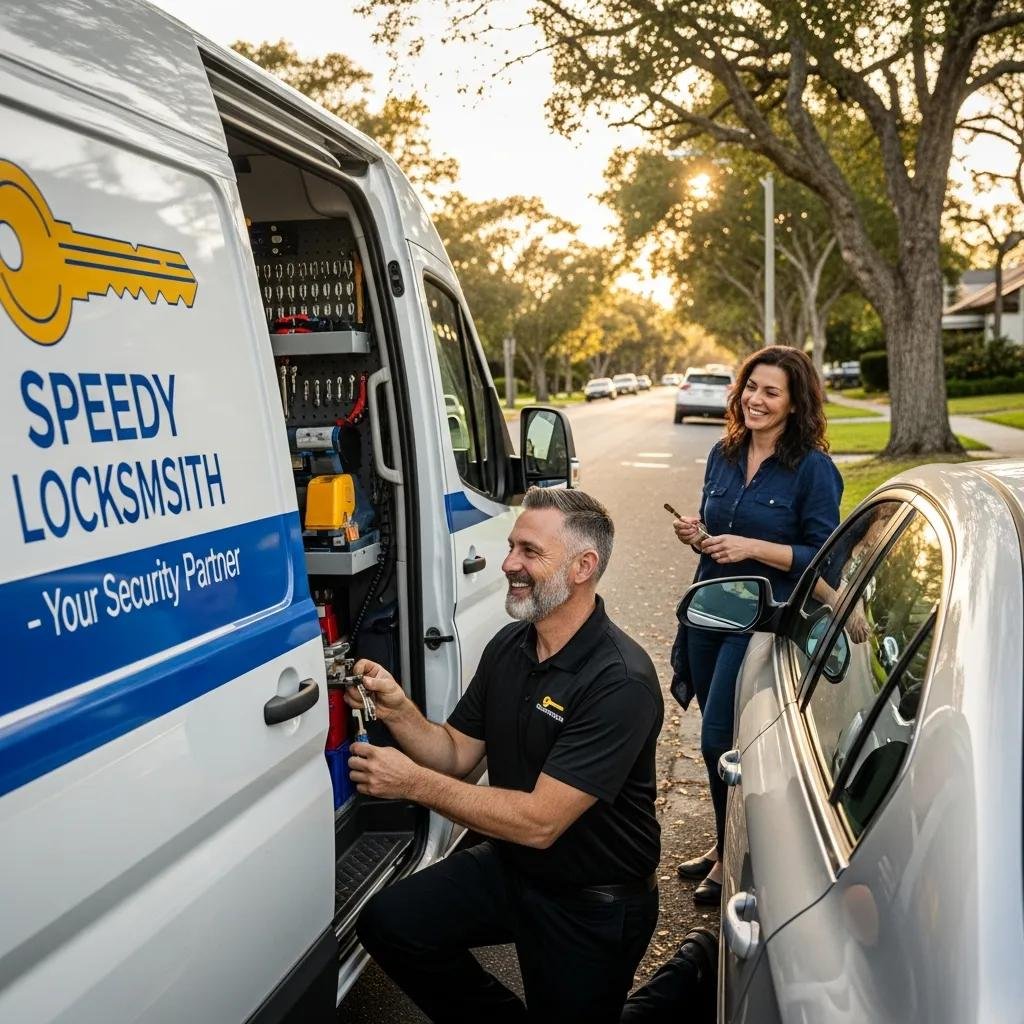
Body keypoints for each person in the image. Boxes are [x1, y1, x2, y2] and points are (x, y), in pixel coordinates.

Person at [349, 486, 663, 1023]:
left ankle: (690, 971)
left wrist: (411, 784)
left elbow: (541, 822)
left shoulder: (620, 680)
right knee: (390, 923)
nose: (508, 563)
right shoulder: (510, 646)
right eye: (512, 545)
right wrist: (397, 708)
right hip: (513, 870)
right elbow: (454, 755)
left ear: (584, 566)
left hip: (592, 901)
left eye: (530, 552)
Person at [670, 346, 842, 905]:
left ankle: (732, 863)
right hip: (710, 609)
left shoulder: (813, 470)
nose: (756, 400)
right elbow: (716, 524)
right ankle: (724, 845)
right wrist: (698, 534)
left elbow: (822, 558)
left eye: (772, 392)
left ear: (795, 405)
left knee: (718, 735)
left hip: (762, 619)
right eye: (751, 387)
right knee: (716, 739)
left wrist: (752, 547)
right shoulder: (724, 453)